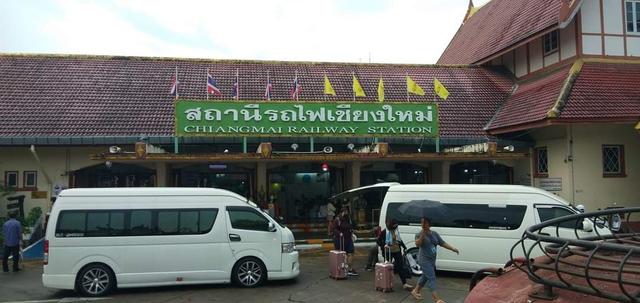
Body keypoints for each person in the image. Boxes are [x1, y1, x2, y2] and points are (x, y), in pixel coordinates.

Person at [411, 217, 459, 302]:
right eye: (421, 223)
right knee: (432, 277)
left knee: (425, 276)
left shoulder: (434, 234)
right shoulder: (419, 234)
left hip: (431, 260)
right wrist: (422, 235)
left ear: (429, 224)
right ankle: (436, 299)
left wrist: (452, 248)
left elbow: (442, 243)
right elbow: (418, 244)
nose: (423, 225)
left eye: (425, 223)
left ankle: (416, 291)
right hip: (424, 260)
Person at [384, 218, 413, 290]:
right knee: (387, 268)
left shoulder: (396, 231)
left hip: (397, 251)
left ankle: (404, 284)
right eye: (395, 225)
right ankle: (386, 284)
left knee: (401, 267)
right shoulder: (385, 232)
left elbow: (399, 239)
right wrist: (385, 245)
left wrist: (404, 247)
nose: (396, 227)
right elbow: (379, 241)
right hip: (389, 252)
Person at [333, 207, 358, 276]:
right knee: (343, 254)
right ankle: (342, 268)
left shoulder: (349, 218)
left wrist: (352, 232)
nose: (347, 213)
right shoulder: (337, 219)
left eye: (347, 212)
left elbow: (351, 226)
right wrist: (339, 233)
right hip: (340, 240)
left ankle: (350, 269)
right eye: (345, 212)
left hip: (348, 239)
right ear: (342, 212)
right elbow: (334, 229)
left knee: (351, 253)